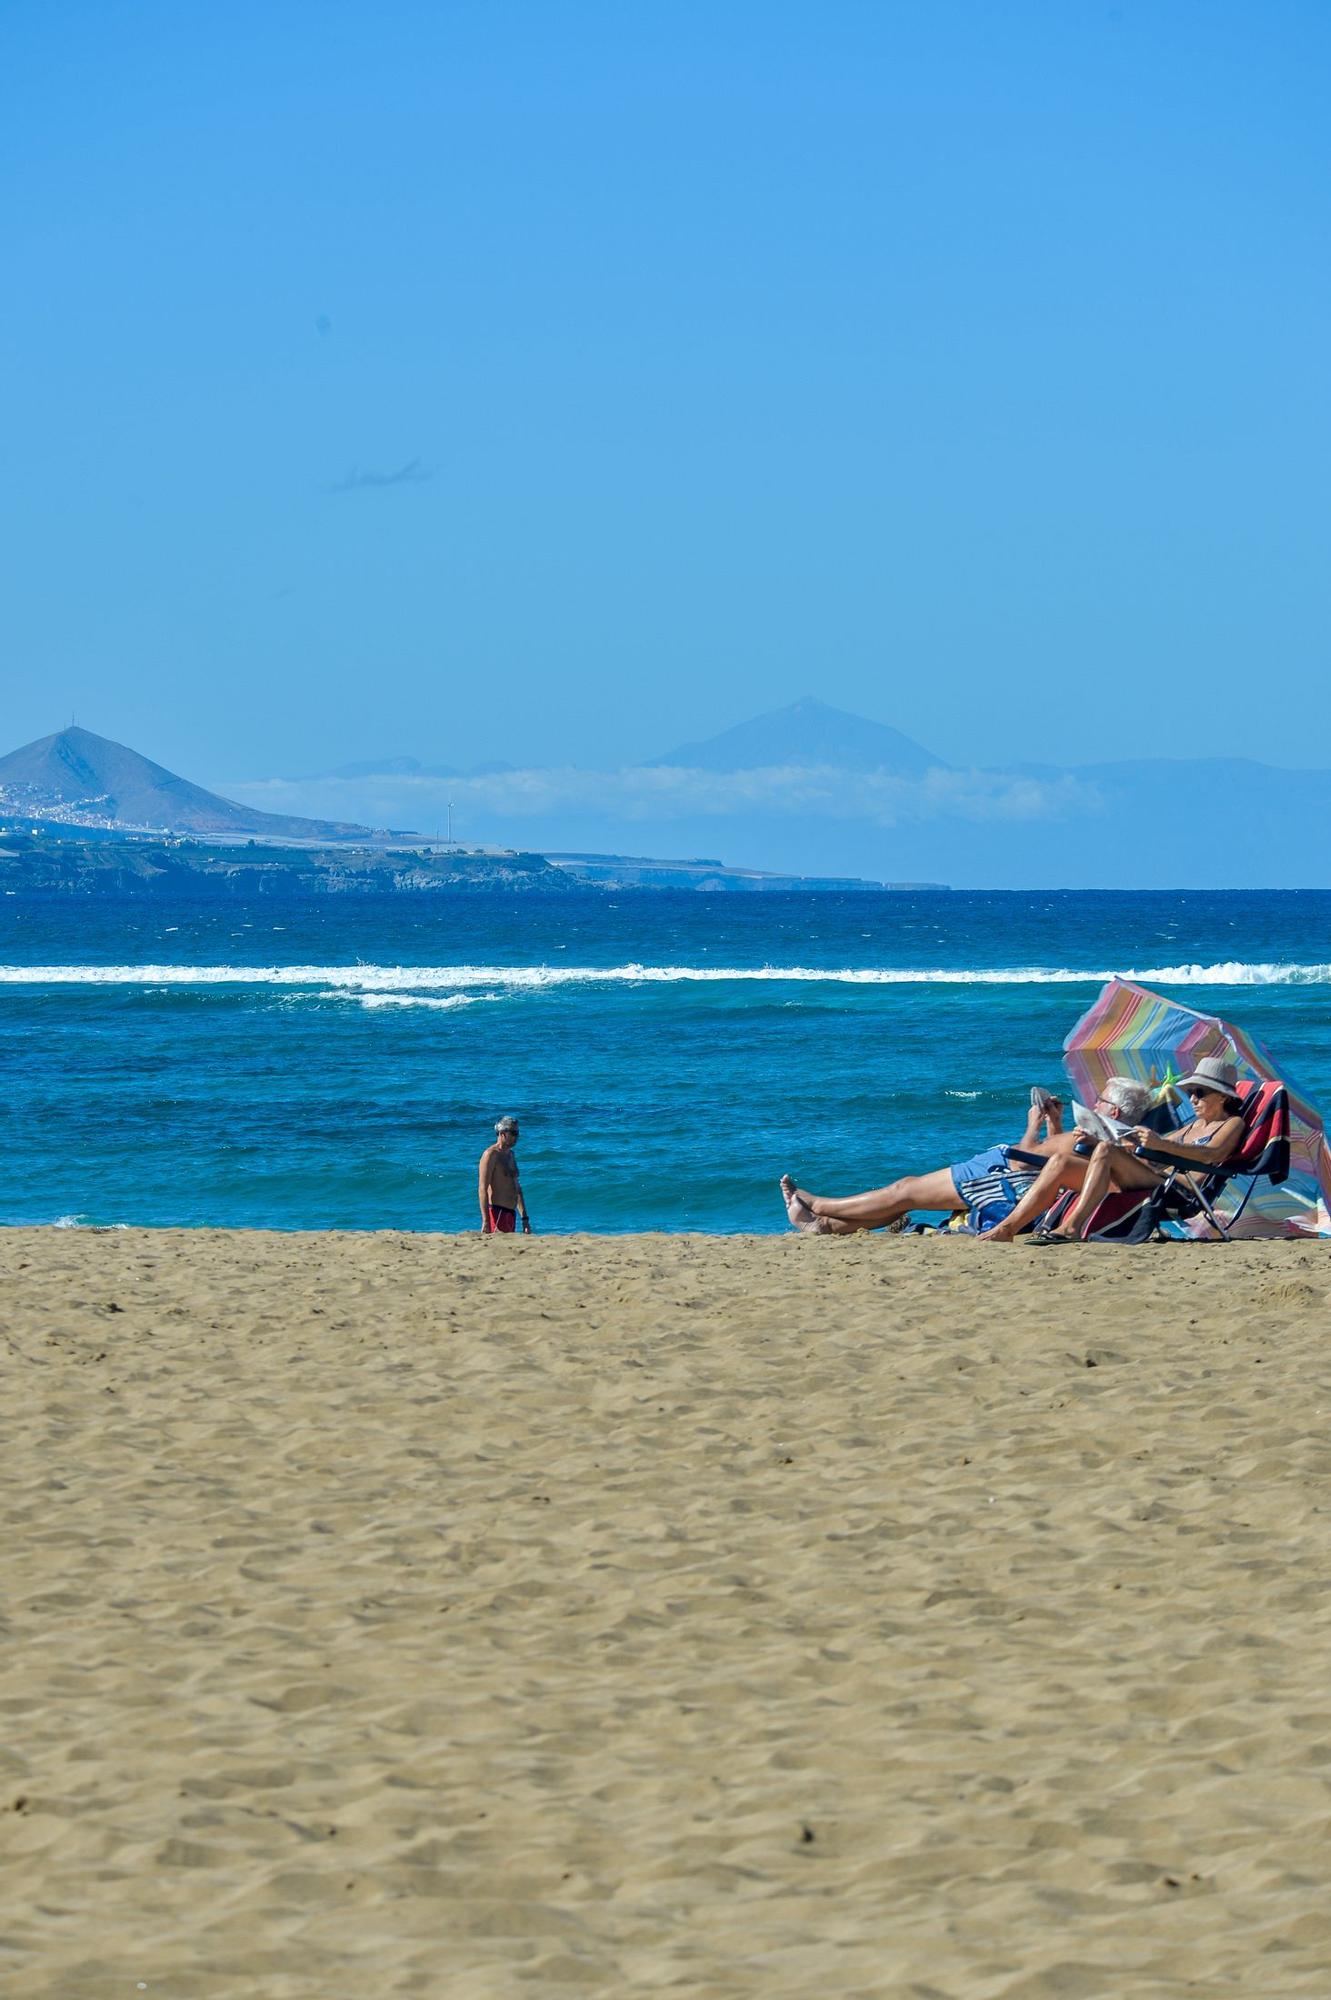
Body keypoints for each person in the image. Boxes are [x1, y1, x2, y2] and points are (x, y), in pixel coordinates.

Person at [781, 1078, 1153, 1236]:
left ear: (1114, 1112)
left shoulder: (1107, 1144)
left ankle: (823, 1205)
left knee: (905, 1190)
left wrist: (1034, 1129)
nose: (1094, 1102)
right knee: (910, 1196)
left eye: (1101, 1099)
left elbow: (1030, 1160)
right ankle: (826, 1226)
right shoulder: (1092, 1142)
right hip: (1006, 1172)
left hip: (1001, 1177)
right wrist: (1047, 1123)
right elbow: (1048, 1158)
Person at [986, 1056, 1246, 1244]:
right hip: (1153, 1176)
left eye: (1199, 1093)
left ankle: (1073, 1227)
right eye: (1190, 1092)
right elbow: (1152, 1147)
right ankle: (1009, 1228)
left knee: (1107, 1151)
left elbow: (1212, 1154)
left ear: (1222, 1096)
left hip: (1182, 1190)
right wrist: (1104, 1139)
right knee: (1063, 1160)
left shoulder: (1232, 1123)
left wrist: (1160, 1144)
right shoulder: (1192, 1126)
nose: (1192, 1099)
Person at [478, 1115, 532, 1234]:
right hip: (497, 1212)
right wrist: (486, 1220)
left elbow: (517, 1188)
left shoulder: (510, 1155)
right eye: (513, 1133)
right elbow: (482, 1188)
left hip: (510, 1213)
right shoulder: (491, 1155)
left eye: (517, 1132)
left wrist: (524, 1219)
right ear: (502, 1133)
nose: (516, 1136)